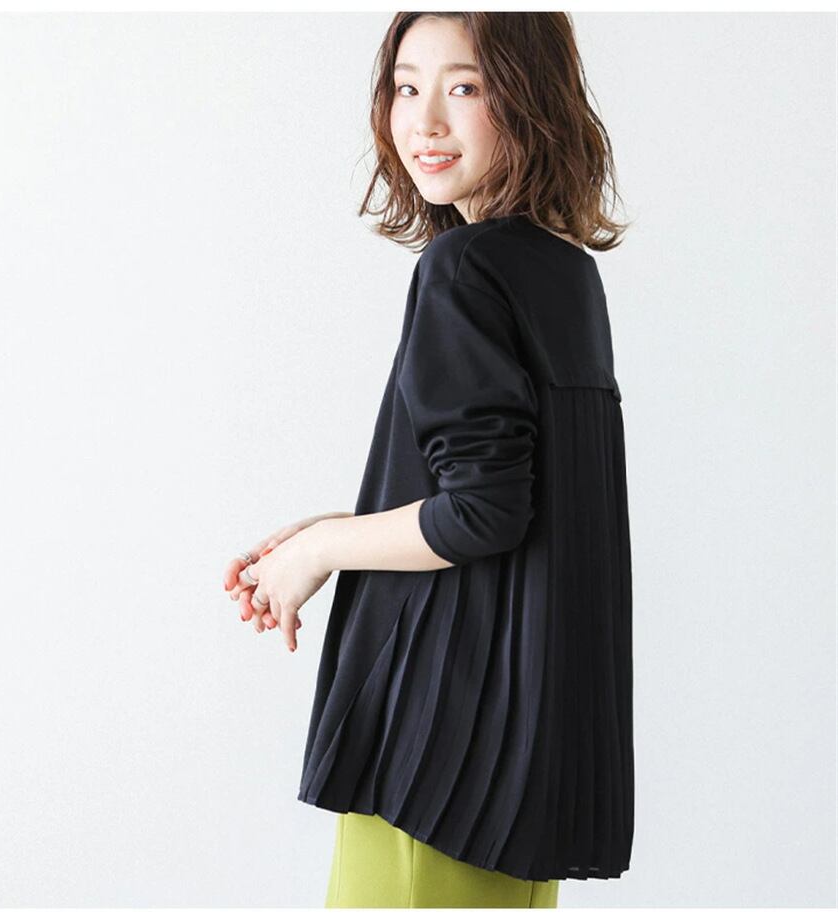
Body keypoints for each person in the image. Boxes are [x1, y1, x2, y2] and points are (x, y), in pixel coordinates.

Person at [223, 11, 633, 909]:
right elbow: (507, 494)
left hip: (438, 763)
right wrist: (336, 525)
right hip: (520, 770)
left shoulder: (464, 266)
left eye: (465, 86)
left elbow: (484, 511)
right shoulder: (563, 272)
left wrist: (320, 551)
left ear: (531, 98)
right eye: (407, 87)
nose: (426, 121)